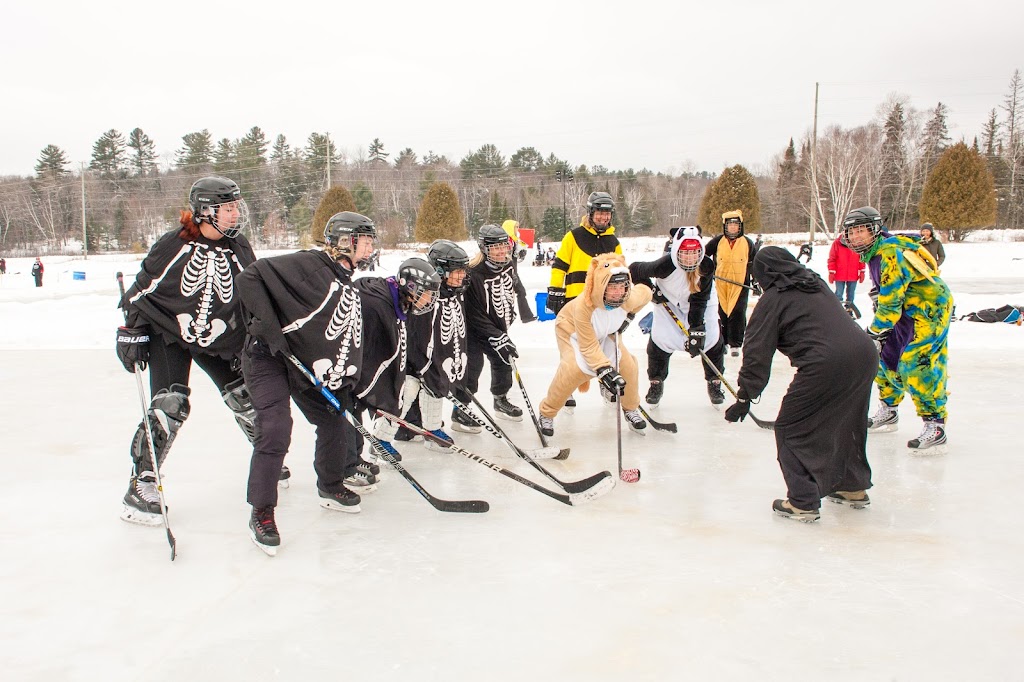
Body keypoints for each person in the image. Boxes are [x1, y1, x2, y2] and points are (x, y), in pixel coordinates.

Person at [116, 176, 256, 526]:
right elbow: (140, 291)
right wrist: (131, 332)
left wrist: (255, 338)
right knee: (171, 403)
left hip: (217, 338)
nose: (235, 214)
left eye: (237, 207)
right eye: (228, 208)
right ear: (207, 211)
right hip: (170, 332)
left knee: (247, 396)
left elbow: (255, 298)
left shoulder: (238, 248)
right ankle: (143, 481)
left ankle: (266, 453)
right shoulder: (174, 244)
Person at [724, 247, 876, 522]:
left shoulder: (773, 299)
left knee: (789, 428)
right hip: (864, 355)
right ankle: (852, 486)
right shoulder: (814, 283)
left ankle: (803, 500)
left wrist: (745, 396)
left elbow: (757, 352)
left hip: (826, 364)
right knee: (847, 420)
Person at [842, 207, 952, 453]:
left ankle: (935, 424)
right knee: (884, 356)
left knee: (916, 361)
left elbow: (890, 305)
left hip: (928, 310)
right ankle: (889, 410)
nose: (857, 236)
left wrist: (873, 333)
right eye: (852, 231)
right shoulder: (874, 251)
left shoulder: (890, 253)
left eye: (862, 230)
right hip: (906, 309)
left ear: (875, 230)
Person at [538, 252, 652, 437]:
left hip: (605, 333)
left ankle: (630, 408)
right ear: (601, 286)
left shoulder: (628, 298)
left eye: (622, 287)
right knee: (574, 370)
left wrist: (629, 317)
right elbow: (589, 347)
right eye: (612, 287)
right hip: (571, 331)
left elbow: (646, 293)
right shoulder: (584, 306)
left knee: (628, 365)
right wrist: (604, 369)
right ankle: (547, 412)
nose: (618, 293)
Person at [352, 257, 441, 464]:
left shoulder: (400, 301)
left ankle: (372, 447)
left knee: (403, 388)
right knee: (353, 413)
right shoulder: (378, 305)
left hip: (370, 366)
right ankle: (350, 463)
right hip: (353, 370)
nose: (429, 300)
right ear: (410, 286)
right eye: (426, 293)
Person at [629, 226, 726, 407]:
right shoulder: (664, 265)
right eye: (685, 253)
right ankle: (656, 382)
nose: (690, 258)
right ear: (676, 251)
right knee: (660, 339)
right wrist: (651, 289)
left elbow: (700, 301)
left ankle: (715, 381)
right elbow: (634, 269)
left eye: (694, 253)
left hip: (701, 304)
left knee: (712, 339)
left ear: (701, 252)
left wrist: (697, 329)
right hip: (668, 302)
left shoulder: (706, 266)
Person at [547, 191, 624, 410]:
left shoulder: (614, 242)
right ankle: (568, 388)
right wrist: (555, 290)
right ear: (590, 213)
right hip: (574, 303)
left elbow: (620, 272)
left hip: (603, 306)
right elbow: (560, 265)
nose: (603, 218)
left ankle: (604, 382)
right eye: (599, 213)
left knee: (604, 346)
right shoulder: (574, 236)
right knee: (571, 350)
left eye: (607, 214)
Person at [395, 240, 473, 441]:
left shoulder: (456, 292)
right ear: (440, 270)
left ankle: (428, 425)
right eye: (457, 271)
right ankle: (403, 427)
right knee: (412, 388)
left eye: (463, 270)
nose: (462, 275)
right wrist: (423, 364)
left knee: (434, 386)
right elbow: (413, 335)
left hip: (437, 359)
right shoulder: (425, 295)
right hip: (416, 360)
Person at [452, 224, 525, 429]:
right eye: (495, 247)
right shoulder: (473, 274)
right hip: (473, 331)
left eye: (504, 246)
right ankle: (460, 409)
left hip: (497, 326)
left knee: (504, 361)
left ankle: (500, 400)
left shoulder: (509, 265)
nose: (502, 251)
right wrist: (496, 336)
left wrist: (510, 314)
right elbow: (474, 314)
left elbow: (510, 291)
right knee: (472, 367)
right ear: (484, 248)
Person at [704, 210, 756, 357]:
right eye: (730, 225)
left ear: (740, 227)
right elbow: (704, 256)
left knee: (737, 312)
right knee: (721, 312)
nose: (733, 228)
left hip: (740, 284)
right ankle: (723, 341)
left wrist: (756, 280)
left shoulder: (747, 243)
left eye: (735, 225)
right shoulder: (718, 241)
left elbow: (754, 263)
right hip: (721, 283)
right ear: (725, 227)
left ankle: (735, 344)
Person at [827, 235, 865, 307]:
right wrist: (831, 271)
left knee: (851, 295)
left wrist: (862, 271)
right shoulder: (837, 243)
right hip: (839, 274)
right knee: (839, 293)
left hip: (853, 274)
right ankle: (838, 310)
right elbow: (832, 258)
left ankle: (849, 309)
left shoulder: (858, 243)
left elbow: (862, 258)